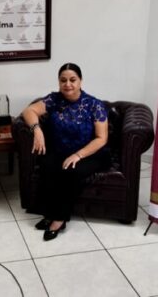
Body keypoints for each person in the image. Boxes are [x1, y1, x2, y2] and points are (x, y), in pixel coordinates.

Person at [21, 63, 109, 241]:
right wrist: (37, 130)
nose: (67, 84)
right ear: (59, 82)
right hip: (61, 150)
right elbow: (29, 111)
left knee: (69, 171)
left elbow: (101, 138)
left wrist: (78, 155)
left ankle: (59, 219)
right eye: (63, 80)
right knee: (47, 165)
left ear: (80, 81)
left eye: (72, 80)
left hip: (90, 153)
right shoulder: (54, 99)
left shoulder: (94, 105)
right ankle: (49, 213)